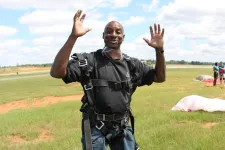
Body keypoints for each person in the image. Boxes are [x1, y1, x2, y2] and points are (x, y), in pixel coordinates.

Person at [50, 9, 166, 150]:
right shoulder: (89, 61)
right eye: (109, 31)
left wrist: (159, 51)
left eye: (118, 32)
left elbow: (160, 77)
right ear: (103, 36)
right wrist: (73, 37)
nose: (113, 34)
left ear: (123, 36)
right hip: (96, 128)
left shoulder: (132, 65)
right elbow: (56, 72)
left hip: (122, 126)